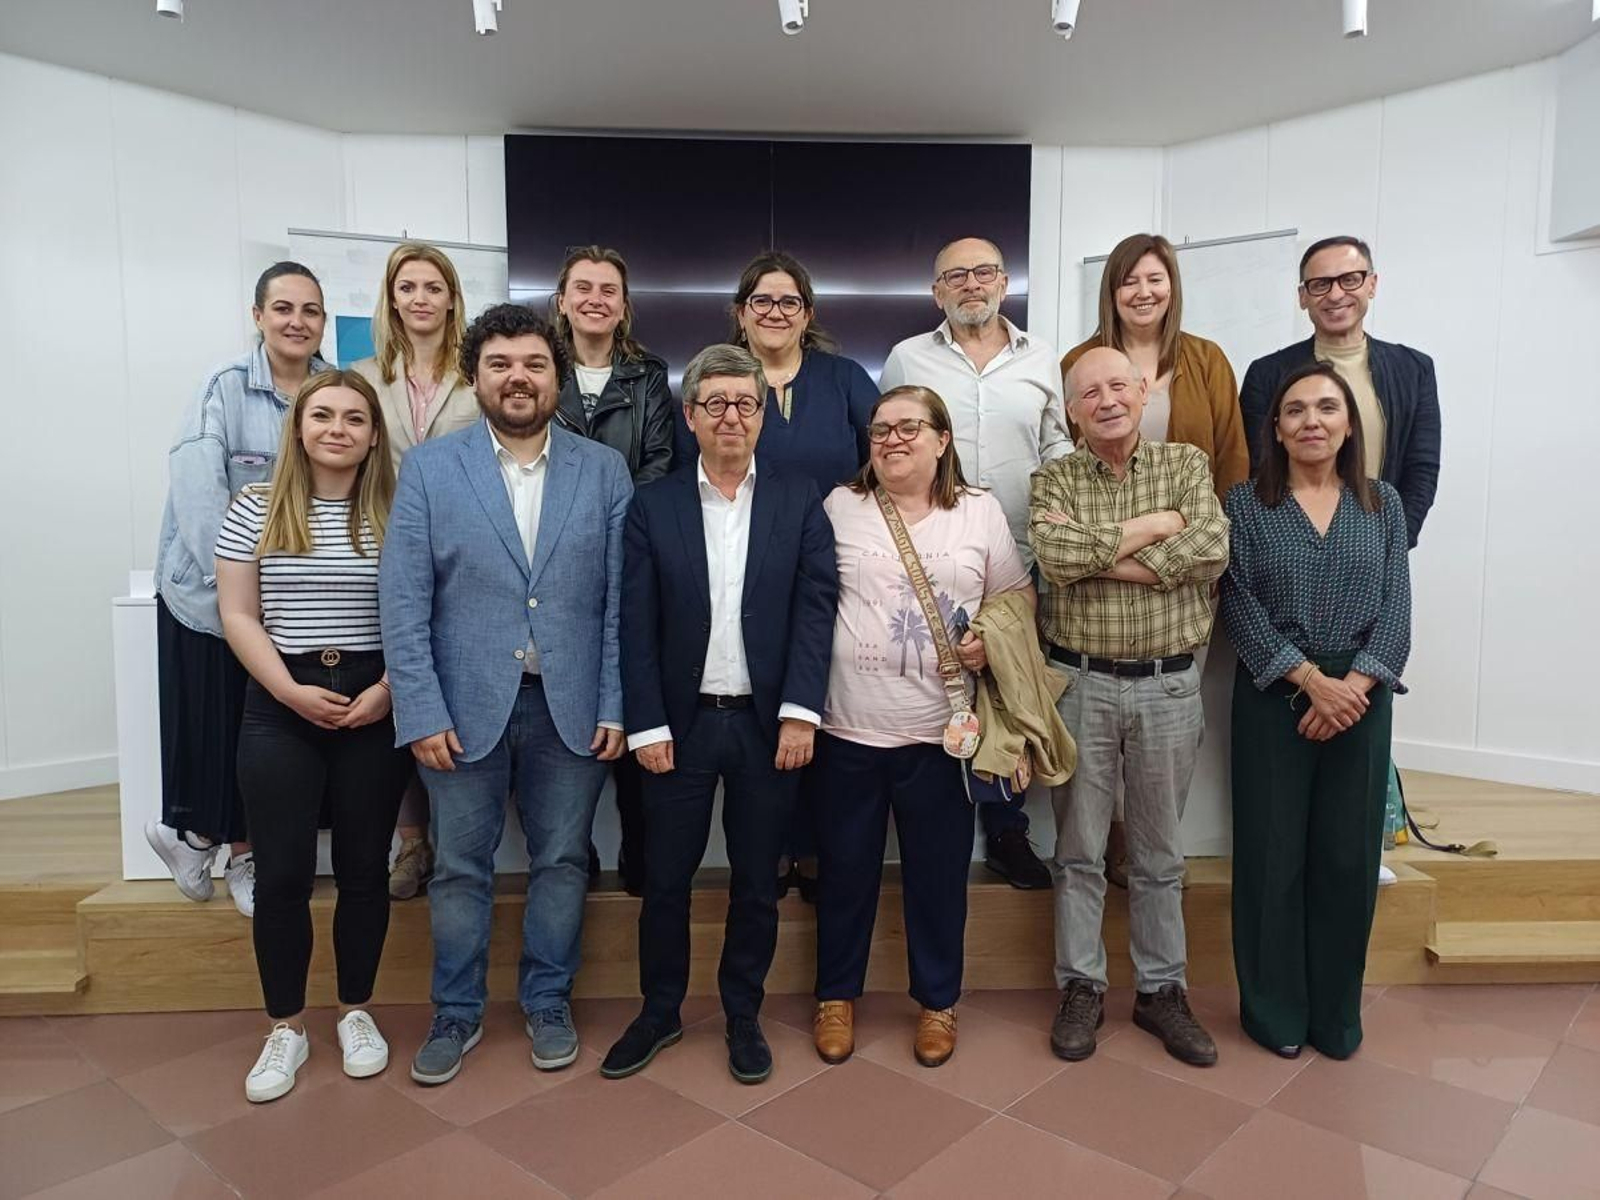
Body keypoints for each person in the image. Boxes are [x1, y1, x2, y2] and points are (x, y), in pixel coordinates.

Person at [379, 304, 633, 1087]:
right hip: (459, 712)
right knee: (460, 868)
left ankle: (548, 1001)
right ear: (475, 376)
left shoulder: (603, 471)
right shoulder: (429, 468)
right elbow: (403, 598)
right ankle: (455, 1014)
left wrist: (616, 703)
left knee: (561, 861)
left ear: (557, 376)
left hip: (573, 709)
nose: (517, 378)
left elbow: (620, 604)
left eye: (533, 364)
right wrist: (419, 708)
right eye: (500, 365)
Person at [605, 344, 836, 1084]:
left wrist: (802, 714)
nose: (731, 416)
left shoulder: (801, 500)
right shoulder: (653, 505)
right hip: (680, 726)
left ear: (762, 416)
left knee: (756, 883)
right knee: (664, 881)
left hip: (770, 727)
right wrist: (645, 723)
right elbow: (634, 625)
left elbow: (815, 611)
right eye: (716, 403)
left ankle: (743, 1013)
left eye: (746, 403)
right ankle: (659, 1011)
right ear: (690, 415)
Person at [811, 385, 1034, 1070]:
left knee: (938, 877)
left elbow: (1015, 597)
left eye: (911, 427)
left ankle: (938, 1002)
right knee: (844, 872)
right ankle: (835, 995)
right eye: (881, 429)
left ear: (943, 440)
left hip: (942, 734)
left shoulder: (979, 511)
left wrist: (986, 640)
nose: (893, 440)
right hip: (847, 728)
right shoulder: (839, 506)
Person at [1030, 347, 1229, 1069]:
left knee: (1158, 854)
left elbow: (1210, 549)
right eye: (1091, 392)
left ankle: (1161, 991)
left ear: (1142, 391)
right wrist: (1153, 530)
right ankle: (1081, 986)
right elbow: (1054, 558)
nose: (1107, 400)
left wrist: (1101, 557)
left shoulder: (1185, 464)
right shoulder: (1053, 475)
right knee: (1079, 851)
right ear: (1073, 409)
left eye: (1119, 386)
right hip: (1079, 685)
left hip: (1169, 686)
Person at [215, 369, 410, 1102]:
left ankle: (356, 1011)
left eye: (354, 418)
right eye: (322, 415)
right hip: (280, 699)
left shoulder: (400, 509)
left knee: (365, 870)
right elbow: (238, 614)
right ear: (297, 426)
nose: (337, 428)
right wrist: (289, 691)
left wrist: (389, 689)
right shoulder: (254, 508)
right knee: (285, 877)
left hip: (376, 699)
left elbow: (425, 609)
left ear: (373, 434)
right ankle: (288, 1028)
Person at [1221, 362, 1410, 1060]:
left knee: (1346, 860)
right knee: (1273, 862)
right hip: (1275, 698)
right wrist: (1308, 680)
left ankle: (1336, 1017)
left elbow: (1398, 608)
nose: (1311, 421)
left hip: (1361, 703)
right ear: (1274, 427)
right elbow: (1236, 603)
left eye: (1327, 408)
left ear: (1349, 422)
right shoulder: (1245, 504)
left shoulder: (1382, 504)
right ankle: (1273, 1013)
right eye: (1295, 410)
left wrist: (1351, 688)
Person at [680, 250, 875, 901]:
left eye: (788, 301)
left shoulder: (844, 378)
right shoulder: (714, 382)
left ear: (808, 314)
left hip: (836, 568)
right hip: (737, 569)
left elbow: (887, 455)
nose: (775, 311)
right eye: (761, 300)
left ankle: (815, 848)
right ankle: (775, 850)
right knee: (761, 707)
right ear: (740, 313)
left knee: (819, 703)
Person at [879, 236, 1069, 891]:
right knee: (945, 675)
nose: (970, 284)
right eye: (954, 276)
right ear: (937, 292)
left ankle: (1007, 829)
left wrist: (1064, 517)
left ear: (1003, 281)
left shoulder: (1042, 358)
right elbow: (892, 438)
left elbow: (1058, 445)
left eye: (983, 271)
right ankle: (932, 815)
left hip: (1022, 548)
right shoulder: (908, 357)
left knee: (1010, 683)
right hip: (935, 549)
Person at [1061, 232, 1250, 890]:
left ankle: (1155, 854)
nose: (1144, 292)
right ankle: (1110, 850)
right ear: (1110, 291)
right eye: (1129, 281)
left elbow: (1231, 467)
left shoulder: (1207, 361)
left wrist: (1199, 551)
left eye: (1156, 279)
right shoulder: (1080, 361)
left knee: (1167, 730)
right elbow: (1069, 484)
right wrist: (1142, 535)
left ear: (1173, 286)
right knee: (1098, 734)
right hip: (1102, 595)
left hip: (1184, 587)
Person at [147, 262, 330, 918]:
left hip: (291, 606)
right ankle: (212, 842)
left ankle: (200, 840)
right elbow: (201, 503)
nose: (296, 321)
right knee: (224, 729)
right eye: (283, 308)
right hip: (209, 597)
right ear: (258, 316)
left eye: (310, 310)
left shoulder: (328, 391)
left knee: (271, 739)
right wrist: (243, 598)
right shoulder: (221, 389)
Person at [352, 241, 481, 903]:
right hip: (386, 550)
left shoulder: (478, 375)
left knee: (455, 684)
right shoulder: (362, 376)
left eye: (434, 287)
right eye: (409, 287)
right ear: (393, 297)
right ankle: (412, 840)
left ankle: (462, 836)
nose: (422, 298)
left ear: (453, 298)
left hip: (465, 555)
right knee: (399, 687)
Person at [551, 244, 675, 896]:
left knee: (631, 702)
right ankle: (570, 849)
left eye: (609, 290)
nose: (596, 298)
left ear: (624, 305)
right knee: (562, 711)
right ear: (563, 298)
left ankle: (636, 850)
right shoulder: (538, 366)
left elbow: (658, 464)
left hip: (630, 557)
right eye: (584, 287)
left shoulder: (647, 375)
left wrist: (617, 533)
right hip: (549, 563)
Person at [1239, 236, 1440, 549]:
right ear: (1303, 296)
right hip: (1286, 548)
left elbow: (1421, 469)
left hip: (1376, 546)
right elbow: (1258, 467)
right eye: (1320, 284)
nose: (1335, 294)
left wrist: (1394, 542)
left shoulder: (1413, 370)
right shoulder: (1267, 374)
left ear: (1371, 284)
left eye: (1350, 280)